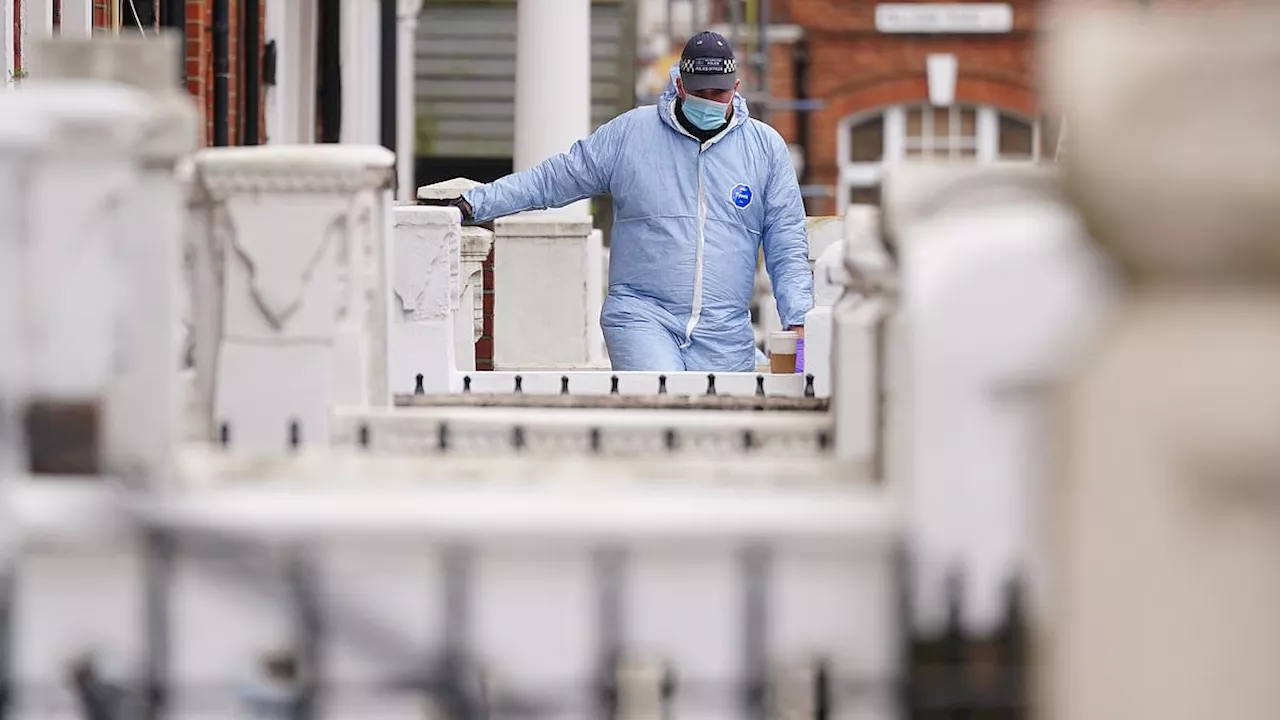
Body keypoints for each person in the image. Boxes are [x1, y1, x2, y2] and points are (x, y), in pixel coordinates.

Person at [448, 31, 812, 372]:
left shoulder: (766, 148)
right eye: (700, 93)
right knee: (664, 406)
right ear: (679, 84)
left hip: (725, 334)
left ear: (736, 87)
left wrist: (799, 321)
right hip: (642, 316)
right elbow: (553, 179)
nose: (709, 101)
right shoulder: (630, 134)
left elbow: (787, 241)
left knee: (719, 431)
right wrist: (472, 204)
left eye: (719, 93)